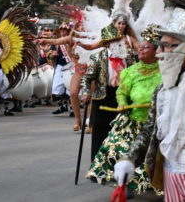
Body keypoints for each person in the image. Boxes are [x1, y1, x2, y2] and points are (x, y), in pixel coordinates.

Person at [114, 0, 185, 201]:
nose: (159, 54)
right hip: (170, 175)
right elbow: (150, 128)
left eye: (166, 46)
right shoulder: (162, 89)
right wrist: (130, 158)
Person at [86, 25, 162, 198]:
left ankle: (163, 185)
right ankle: (125, 182)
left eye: (146, 47)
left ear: (157, 52)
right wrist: (121, 102)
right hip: (132, 120)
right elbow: (122, 91)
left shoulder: (166, 71)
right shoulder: (129, 71)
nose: (141, 49)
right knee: (120, 149)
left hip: (158, 122)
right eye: (140, 46)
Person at [81, 22, 134, 161]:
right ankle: (97, 163)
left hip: (122, 97)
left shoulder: (127, 57)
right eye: (113, 41)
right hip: (103, 97)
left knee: (120, 131)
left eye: (118, 40)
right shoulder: (97, 57)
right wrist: (86, 93)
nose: (117, 43)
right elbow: (87, 78)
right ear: (107, 43)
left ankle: (118, 162)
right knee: (100, 130)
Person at [36, 22, 88, 130]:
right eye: (79, 26)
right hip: (78, 69)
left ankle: (90, 121)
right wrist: (44, 40)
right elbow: (56, 41)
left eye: (83, 26)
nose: (81, 28)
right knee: (73, 93)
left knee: (89, 96)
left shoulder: (91, 38)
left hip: (91, 69)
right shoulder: (70, 39)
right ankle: (78, 120)